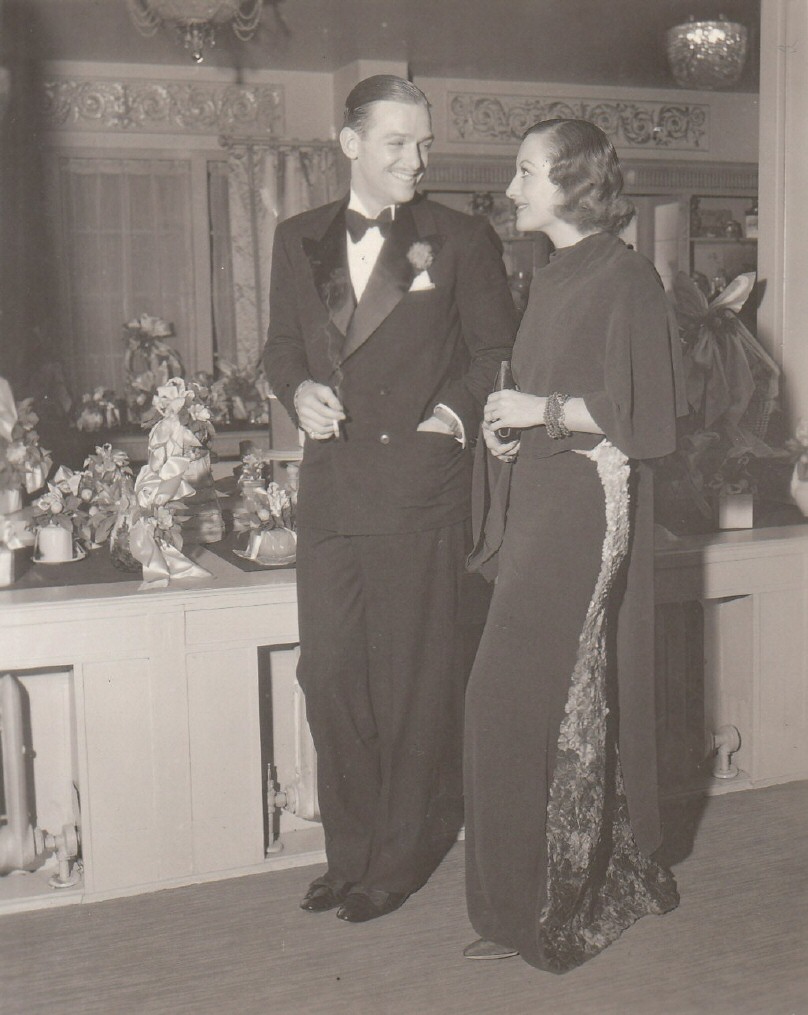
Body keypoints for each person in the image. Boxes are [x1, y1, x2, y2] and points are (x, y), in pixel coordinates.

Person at [263, 75, 517, 924]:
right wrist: (295, 388)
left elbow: (495, 353)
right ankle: (351, 853)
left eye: (424, 142)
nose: (418, 158)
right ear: (350, 145)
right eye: (397, 143)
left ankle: (395, 861)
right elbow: (278, 348)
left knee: (410, 685)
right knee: (329, 674)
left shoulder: (459, 237)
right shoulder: (296, 237)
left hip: (417, 490)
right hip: (333, 492)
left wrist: (451, 412)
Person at [463, 118, 685, 971]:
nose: (511, 189)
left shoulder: (629, 277)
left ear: (573, 182)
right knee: (521, 699)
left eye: (525, 173)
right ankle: (537, 890)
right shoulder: (553, 275)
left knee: (520, 696)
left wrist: (541, 412)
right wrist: (507, 427)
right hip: (539, 506)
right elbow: (550, 391)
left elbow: (648, 419)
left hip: (585, 513)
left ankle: (547, 898)